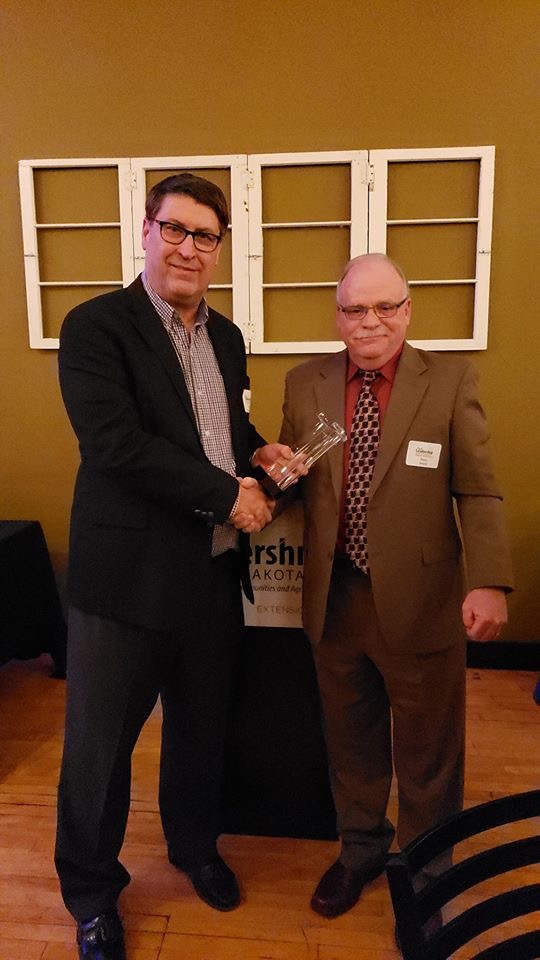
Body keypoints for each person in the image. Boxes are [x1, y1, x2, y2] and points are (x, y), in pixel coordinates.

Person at [55, 173, 288, 960]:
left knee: (200, 732)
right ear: (146, 232)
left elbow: (221, 426)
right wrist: (230, 495)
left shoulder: (224, 336)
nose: (190, 247)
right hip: (122, 587)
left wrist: (260, 450)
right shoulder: (95, 328)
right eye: (176, 230)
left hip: (211, 578)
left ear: (221, 249)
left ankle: (194, 847)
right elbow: (118, 447)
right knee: (98, 751)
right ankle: (91, 894)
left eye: (206, 236)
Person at [275, 252, 514, 927]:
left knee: (428, 746)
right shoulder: (304, 382)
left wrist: (492, 580)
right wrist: (269, 473)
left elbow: (478, 486)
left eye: (386, 306)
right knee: (349, 737)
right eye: (355, 308)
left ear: (407, 310)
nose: (370, 320)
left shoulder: (451, 380)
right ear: (338, 315)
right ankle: (360, 849)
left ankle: (429, 867)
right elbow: (297, 480)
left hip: (421, 597)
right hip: (334, 595)